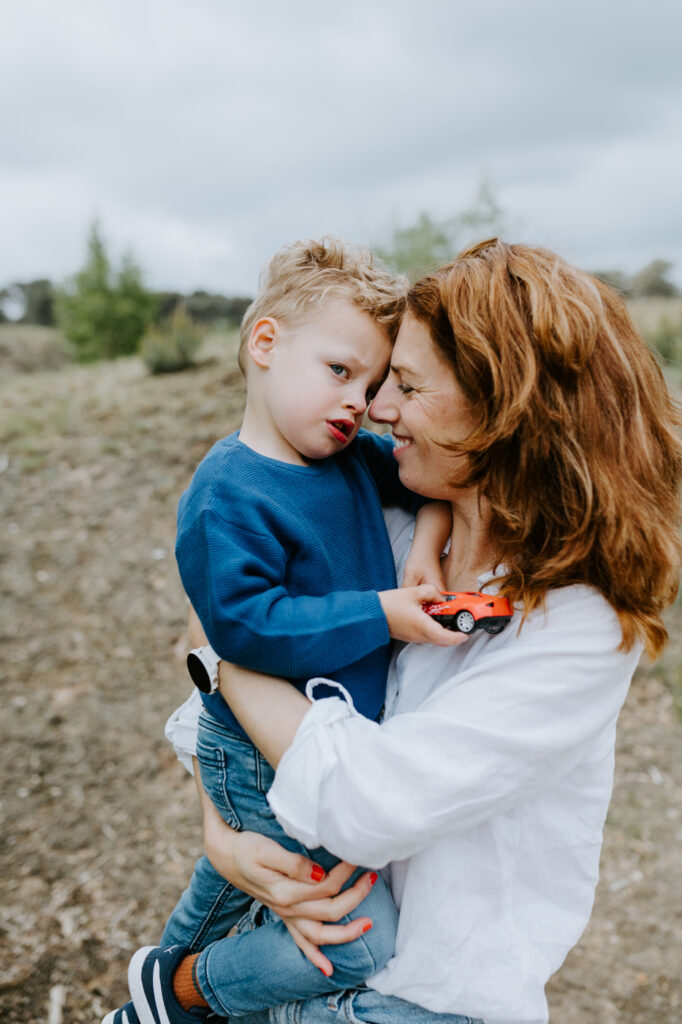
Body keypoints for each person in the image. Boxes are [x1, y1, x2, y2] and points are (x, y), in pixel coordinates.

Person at [160, 238, 679, 1024]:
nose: (376, 409)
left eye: (402, 384)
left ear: (505, 410)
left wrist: (226, 664)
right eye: (369, 379)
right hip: (302, 951)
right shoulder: (393, 522)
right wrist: (223, 837)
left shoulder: (578, 621)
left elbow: (360, 792)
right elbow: (238, 643)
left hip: (420, 1002)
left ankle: (173, 992)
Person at [103, 237, 464, 1024]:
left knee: (233, 884)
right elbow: (243, 629)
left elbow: (428, 485)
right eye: (340, 371)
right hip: (256, 746)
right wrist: (381, 612)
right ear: (265, 344)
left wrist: (426, 553)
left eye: (370, 384)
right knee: (360, 939)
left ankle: (148, 1004)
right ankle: (177, 996)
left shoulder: (349, 458)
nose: (357, 402)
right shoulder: (226, 490)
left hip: (316, 738)